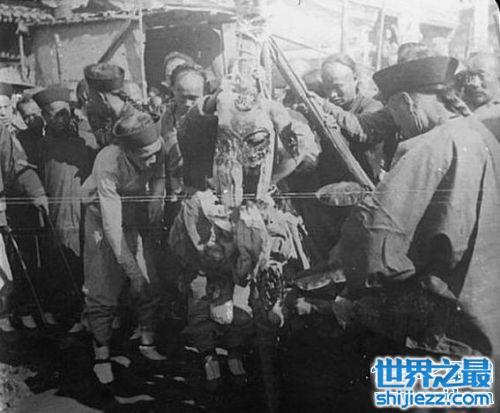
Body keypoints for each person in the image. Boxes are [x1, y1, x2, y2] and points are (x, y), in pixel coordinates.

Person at [327, 55, 500, 403]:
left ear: (407, 102)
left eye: (394, 114)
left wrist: (355, 294)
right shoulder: (482, 135)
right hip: (485, 319)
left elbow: (375, 236)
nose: (397, 125)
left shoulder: (430, 145)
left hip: (440, 331)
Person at [81, 110, 167, 385]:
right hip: (101, 217)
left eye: (155, 152)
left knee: (149, 279)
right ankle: (102, 354)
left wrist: (156, 196)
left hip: (133, 211)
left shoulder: (156, 147)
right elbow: (112, 229)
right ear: (128, 151)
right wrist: (132, 272)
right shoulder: (108, 162)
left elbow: (159, 173)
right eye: (145, 156)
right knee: (103, 287)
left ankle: (146, 341)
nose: (152, 159)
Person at [32, 86, 96, 332]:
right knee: (62, 261)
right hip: (58, 213)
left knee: (89, 260)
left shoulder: (86, 140)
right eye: (55, 114)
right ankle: (72, 315)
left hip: (85, 211)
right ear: (44, 116)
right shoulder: (40, 145)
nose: (62, 119)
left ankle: (93, 313)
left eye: (65, 113)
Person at [0, 82, 49, 334]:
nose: (1, 113)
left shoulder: (21, 135)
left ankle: (28, 307)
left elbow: (22, 168)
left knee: (26, 258)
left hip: (20, 208)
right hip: (4, 207)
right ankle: (9, 311)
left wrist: (37, 193)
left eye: (4, 107)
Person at [459, 52, 500, 141]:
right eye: (470, 76)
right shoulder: (465, 103)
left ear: (498, 78)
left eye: (481, 76)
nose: (474, 83)